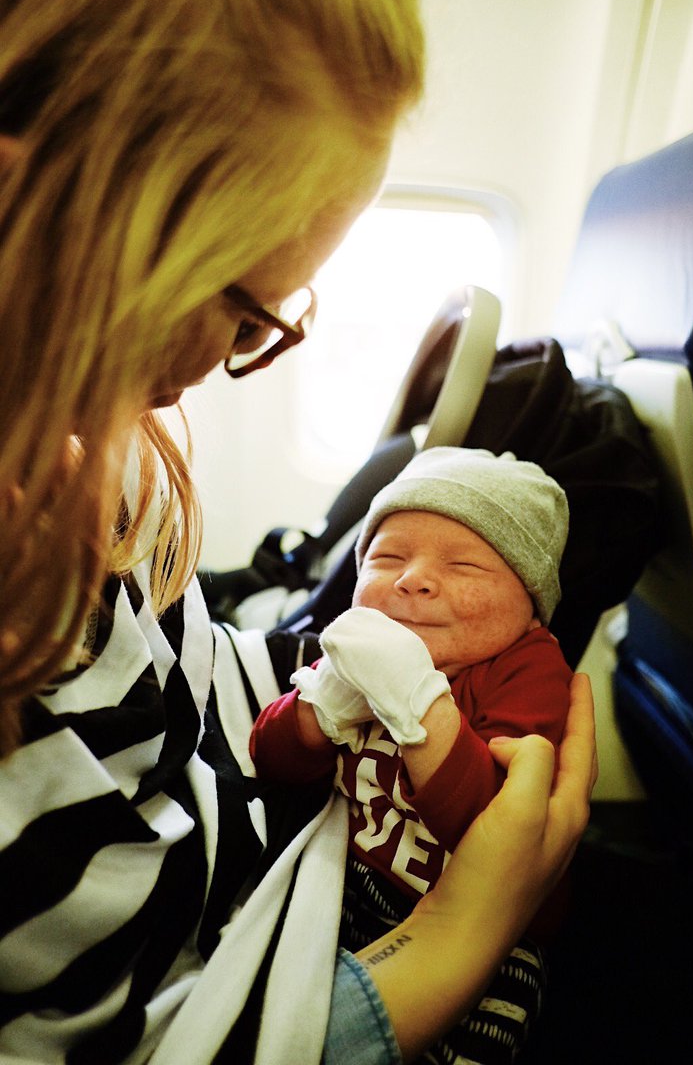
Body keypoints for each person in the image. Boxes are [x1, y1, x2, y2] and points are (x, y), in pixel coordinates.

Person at [0, 0, 597, 1063]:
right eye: (236, 308)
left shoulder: (80, 460)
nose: (225, 364)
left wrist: (348, 660)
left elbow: (170, 684)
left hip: (267, 883)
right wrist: (465, 930)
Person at [251, 447, 572, 1063]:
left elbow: (500, 833)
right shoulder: (368, 648)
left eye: (465, 565)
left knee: (495, 1016)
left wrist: (420, 705)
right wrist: (326, 705)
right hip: (348, 883)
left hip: (492, 920)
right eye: (387, 557)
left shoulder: (528, 669)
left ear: (531, 607)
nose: (413, 578)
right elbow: (271, 758)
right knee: (280, 974)